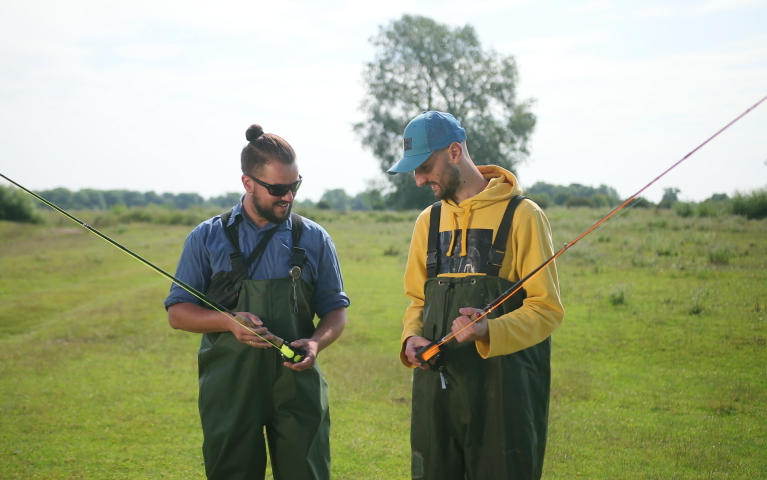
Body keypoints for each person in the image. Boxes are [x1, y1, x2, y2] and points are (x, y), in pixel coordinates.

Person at [165, 124, 349, 480]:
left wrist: (315, 341)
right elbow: (178, 313)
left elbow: (335, 311)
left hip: (298, 385)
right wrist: (228, 322)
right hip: (230, 386)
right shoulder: (205, 238)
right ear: (248, 183)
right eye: (278, 189)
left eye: (294, 186)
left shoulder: (315, 238)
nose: (288, 198)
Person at [388, 111, 565, 480]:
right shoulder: (428, 221)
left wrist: (489, 331)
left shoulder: (524, 216)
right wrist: (410, 338)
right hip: (435, 395)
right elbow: (417, 302)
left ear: (454, 152)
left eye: (425, 166)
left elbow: (546, 309)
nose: (419, 179)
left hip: (504, 398)